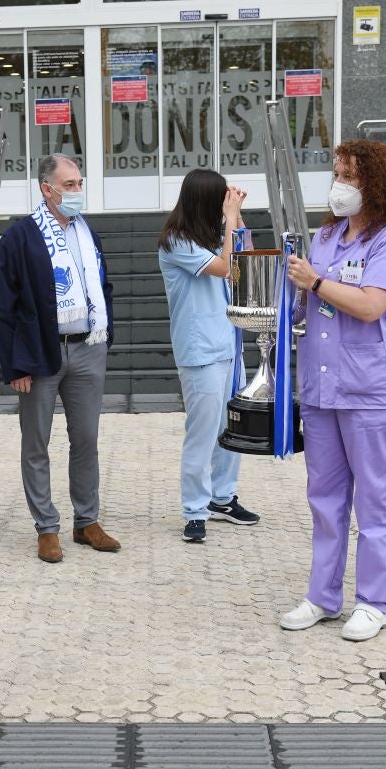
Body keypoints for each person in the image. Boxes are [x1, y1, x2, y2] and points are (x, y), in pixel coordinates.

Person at [280, 140, 386, 642]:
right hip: (322, 390)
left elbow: (368, 306)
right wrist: (283, 302)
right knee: (325, 498)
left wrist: (314, 283)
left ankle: (374, 601)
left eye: (350, 176)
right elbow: (307, 302)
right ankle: (322, 596)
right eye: (337, 173)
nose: (339, 184)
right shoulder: (326, 234)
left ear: (374, 183)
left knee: (375, 501)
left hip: (371, 391)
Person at [0, 153, 119, 563]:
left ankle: (87, 521)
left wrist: (103, 335)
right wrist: (15, 365)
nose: (77, 192)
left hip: (87, 348)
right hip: (41, 355)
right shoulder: (20, 237)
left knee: (86, 441)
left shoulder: (87, 232)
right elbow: (3, 308)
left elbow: (102, 284)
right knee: (37, 444)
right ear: (47, 189)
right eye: (70, 185)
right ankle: (46, 528)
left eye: (80, 183)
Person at [157, 168, 261, 543]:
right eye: (220, 200)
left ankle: (222, 497)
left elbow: (245, 261)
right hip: (200, 351)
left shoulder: (209, 237)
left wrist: (237, 219)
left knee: (230, 428)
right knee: (201, 434)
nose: (225, 206)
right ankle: (194, 510)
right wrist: (230, 219)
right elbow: (226, 269)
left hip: (228, 347)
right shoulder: (176, 243)